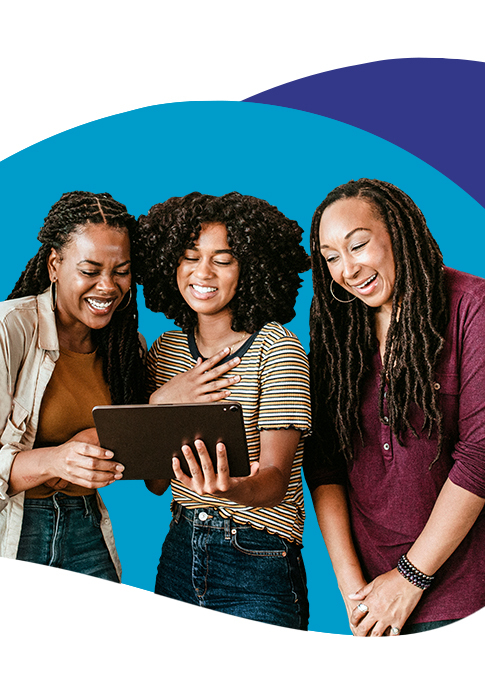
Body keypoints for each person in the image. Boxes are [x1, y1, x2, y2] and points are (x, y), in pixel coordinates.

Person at [304, 178, 485, 636]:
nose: (347, 268)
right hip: (372, 603)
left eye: (358, 245)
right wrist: (354, 592)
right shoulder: (337, 334)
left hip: (464, 595)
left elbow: (481, 455)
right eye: (331, 258)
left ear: (397, 234)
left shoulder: (473, 307)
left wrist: (410, 578)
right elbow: (324, 465)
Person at [135, 191, 311, 629]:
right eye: (190, 257)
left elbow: (275, 480)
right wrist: (161, 401)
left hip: (257, 557)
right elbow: (157, 483)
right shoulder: (165, 352)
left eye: (223, 259)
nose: (202, 272)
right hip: (179, 548)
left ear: (249, 267)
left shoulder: (278, 348)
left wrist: (227, 489)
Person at [0, 191, 146, 581]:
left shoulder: (126, 347)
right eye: (90, 269)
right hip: (14, 527)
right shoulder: (10, 329)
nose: (108, 286)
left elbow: (150, 474)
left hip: (84, 524)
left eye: (121, 270)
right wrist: (55, 459)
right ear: (54, 265)